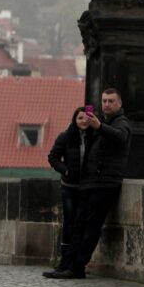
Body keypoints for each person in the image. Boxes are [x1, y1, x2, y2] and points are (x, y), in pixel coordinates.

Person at [48, 88, 132, 280]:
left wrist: (99, 126)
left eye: (111, 101)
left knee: (90, 228)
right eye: (104, 101)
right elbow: (78, 136)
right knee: (78, 226)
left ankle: (78, 267)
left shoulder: (121, 122)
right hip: (89, 183)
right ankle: (66, 265)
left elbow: (120, 137)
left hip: (105, 183)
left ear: (119, 104)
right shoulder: (101, 122)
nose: (107, 104)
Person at [42, 106, 91, 278]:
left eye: (86, 118)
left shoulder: (94, 137)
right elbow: (52, 157)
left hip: (87, 189)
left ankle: (75, 265)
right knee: (69, 224)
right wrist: (67, 171)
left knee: (81, 227)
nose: (83, 121)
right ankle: (64, 263)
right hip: (70, 188)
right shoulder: (66, 136)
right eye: (80, 118)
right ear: (74, 120)